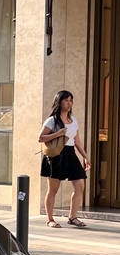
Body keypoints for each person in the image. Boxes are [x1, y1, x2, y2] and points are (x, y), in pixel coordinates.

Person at [38, 90, 91, 228]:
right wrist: (57, 133)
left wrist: (86, 157)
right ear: (59, 102)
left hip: (70, 154)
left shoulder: (74, 121)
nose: (69, 103)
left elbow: (77, 141)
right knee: (53, 189)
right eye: (66, 100)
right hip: (56, 155)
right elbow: (40, 138)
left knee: (80, 186)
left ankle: (73, 217)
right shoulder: (52, 120)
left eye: (71, 100)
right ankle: (50, 219)